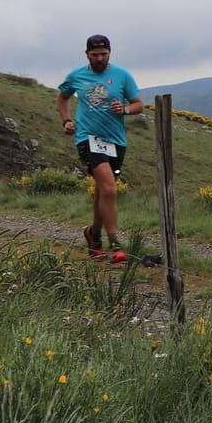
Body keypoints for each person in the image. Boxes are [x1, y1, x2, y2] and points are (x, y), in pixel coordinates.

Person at [56, 34, 142, 264]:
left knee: (103, 190)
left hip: (115, 140)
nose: (100, 58)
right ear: (87, 54)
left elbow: (138, 105)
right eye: (95, 55)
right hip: (87, 137)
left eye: (104, 54)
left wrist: (123, 109)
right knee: (109, 188)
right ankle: (115, 243)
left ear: (110, 53)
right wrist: (66, 120)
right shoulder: (76, 76)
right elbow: (62, 98)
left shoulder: (122, 76)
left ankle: (94, 235)